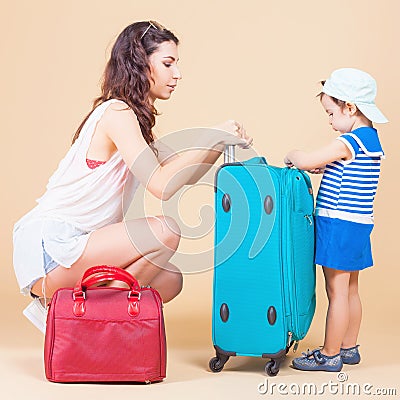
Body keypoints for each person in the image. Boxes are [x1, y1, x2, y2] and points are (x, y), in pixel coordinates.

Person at [13, 20, 253, 334]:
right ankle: (82, 321)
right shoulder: (117, 114)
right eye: (168, 63)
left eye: (176, 64)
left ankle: (80, 315)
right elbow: (162, 185)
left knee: (169, 280)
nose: (177, 74)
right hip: (53, 249)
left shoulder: (135, 125)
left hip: (81, 249)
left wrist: (218, 141)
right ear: (140, 64)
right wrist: (212, 134)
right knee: (166, 230)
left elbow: (186, 175)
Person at [284, 68, 388, 372]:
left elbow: (305, 160)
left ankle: (330, 354)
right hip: (357, 225)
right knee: (351, 289)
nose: (330, 121)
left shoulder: (349, 142)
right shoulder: (370, 141)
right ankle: (349, 347)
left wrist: (294, 154)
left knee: (336, 291)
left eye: (331, 113)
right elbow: (346, 171)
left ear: (350, 108)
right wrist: (326, 169)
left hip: (338, 225)